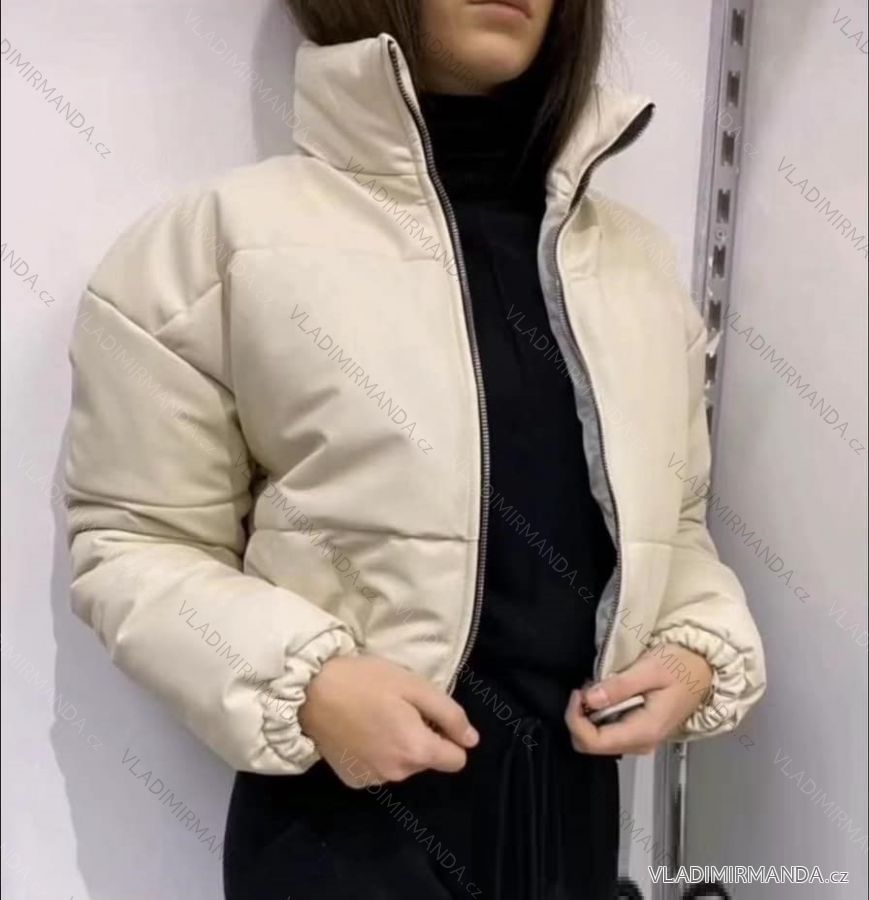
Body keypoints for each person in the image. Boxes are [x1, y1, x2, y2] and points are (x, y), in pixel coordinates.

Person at [63, 1, 766, 897]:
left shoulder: (631, 264)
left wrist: (693, 649)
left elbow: (678, 521)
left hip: (572, 817)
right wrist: (310, 684)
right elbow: (132, 540)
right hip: (345, 832)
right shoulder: (215, 245)